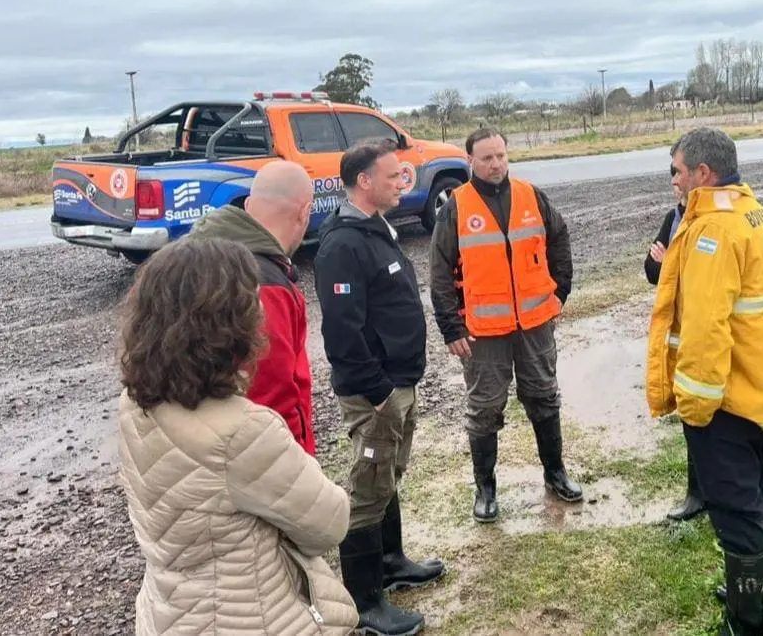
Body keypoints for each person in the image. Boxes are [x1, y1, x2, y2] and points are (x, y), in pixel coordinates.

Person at [117, 237, 357, 636]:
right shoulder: (242, 431)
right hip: (250, 617)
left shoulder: (134, 403)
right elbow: (329, 524)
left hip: (168, 611)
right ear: (229, 325)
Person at [645, 127, 763, 635]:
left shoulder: (714, 233)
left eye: (677, 171)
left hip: (727, 403)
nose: (673, 181)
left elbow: (707, 330)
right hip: (762, 390)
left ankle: (747, 620)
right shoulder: (756, 216)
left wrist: (694, 406)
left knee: (737, 512)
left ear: (702, 174)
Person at [313, 140, 444, 636]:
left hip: (399, 382)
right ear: (364, 181)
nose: (402, 182)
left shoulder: (375, 230)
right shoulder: (343, 244)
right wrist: (379, 390)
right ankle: (366, 604)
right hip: (377, 392)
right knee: (368, 489)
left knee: (388, 474)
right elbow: (342, 333)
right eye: (393, 176)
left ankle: (390, 563)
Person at [429, 126, 581, 525]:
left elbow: (559, 239)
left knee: (544, 396)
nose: (495, 164)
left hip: (534, 324)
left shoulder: (532, 196)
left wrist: (559, 291)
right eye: (486, 158)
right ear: (471, 162)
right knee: (483, 409)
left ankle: (556, 473)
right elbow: (440, 272)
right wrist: (451, 327)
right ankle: (486, 490)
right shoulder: (456, 207)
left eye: (500, 156)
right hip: (482, 333)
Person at [189, 160, 318, 455]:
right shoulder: (265, 284)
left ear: (248, 205)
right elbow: (274, 398)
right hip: (257, 461)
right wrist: (299, 463)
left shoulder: (189, 260)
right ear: (304, 213)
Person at [644, 166, 708, 523]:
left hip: (709, 333)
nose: (674, 182)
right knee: (691, 415)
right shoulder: (673, 218)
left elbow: (705, 275)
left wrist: (669, 262)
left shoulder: (713, 222)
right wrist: (666, 265)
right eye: (671, 176)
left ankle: (723, 491)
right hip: (683, 337)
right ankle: (697, 494)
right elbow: (651, 271)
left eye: (678, 174)